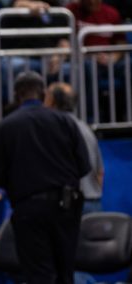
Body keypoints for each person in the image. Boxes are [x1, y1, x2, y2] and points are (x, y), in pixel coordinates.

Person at [0, 71, 91, 284]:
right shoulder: (66, 121)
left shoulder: (4, 127)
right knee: (65, 274)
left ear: (16, 96)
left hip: (28, 209)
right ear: (43, 94)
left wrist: (19, 184)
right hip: (66, 206)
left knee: (38, 276)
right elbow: (84, 165)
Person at [44, 82, 104, 214]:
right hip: (93, 203)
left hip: (70, 206)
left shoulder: (52, 129)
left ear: (51, 101)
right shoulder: (85, 128)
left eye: (46, 96)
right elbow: (100, 172)